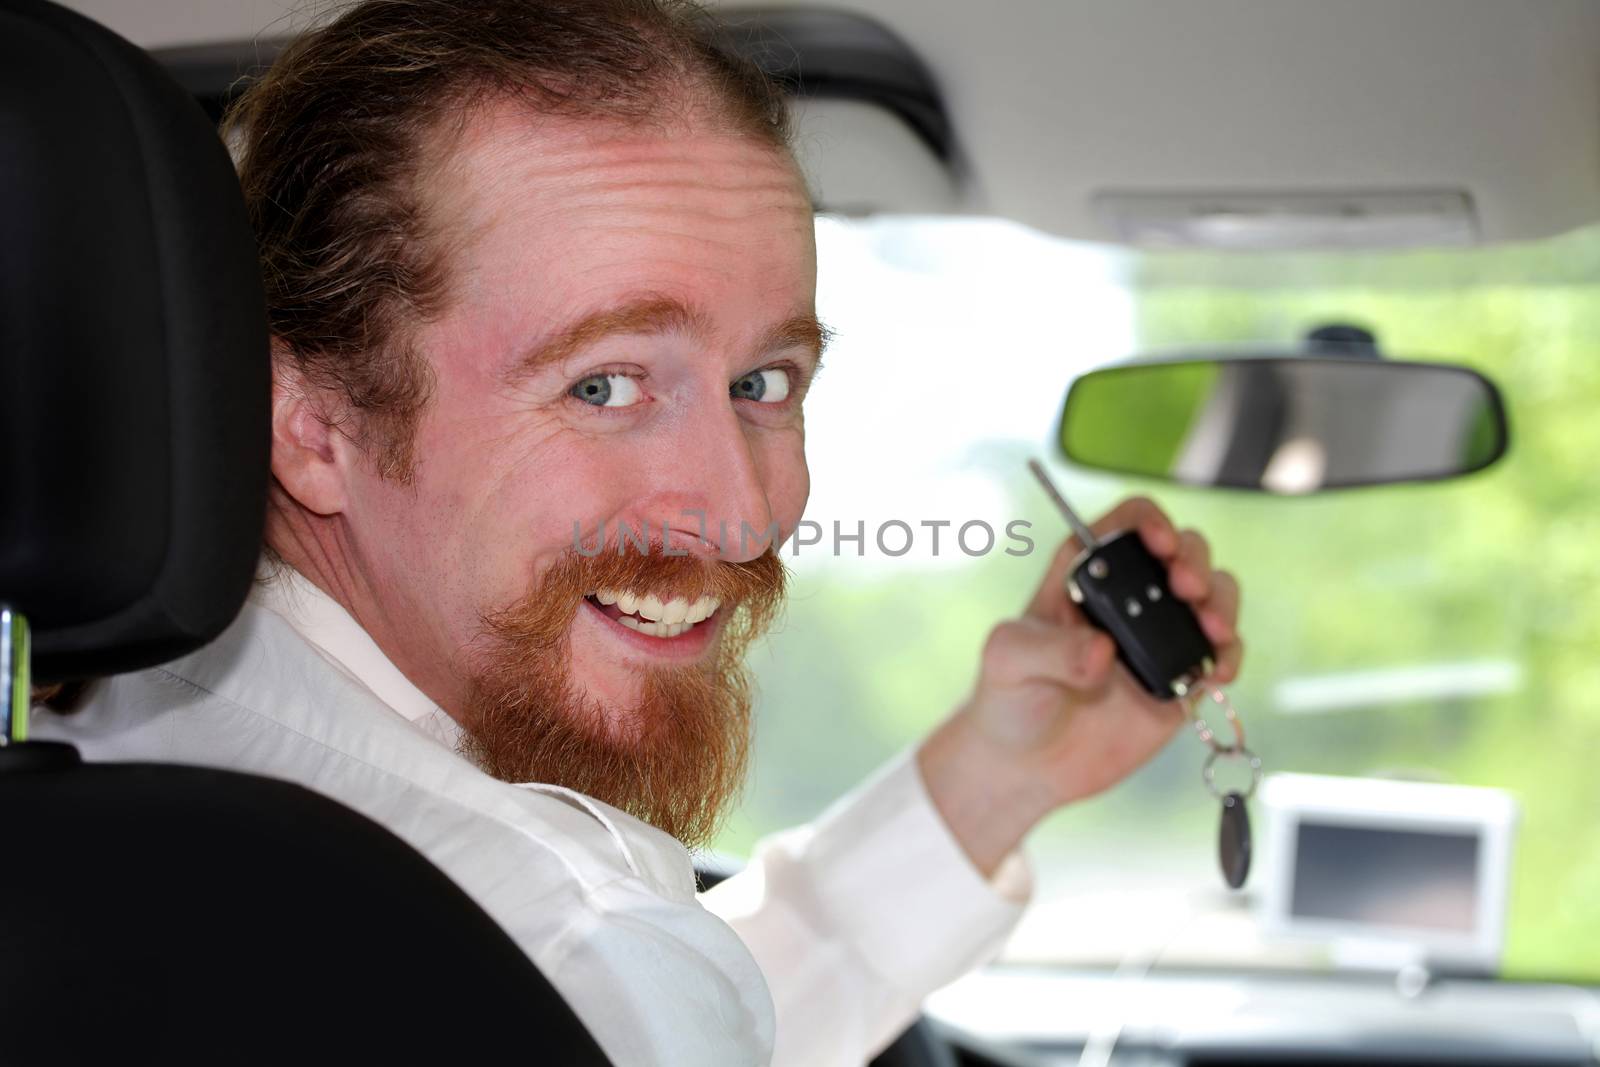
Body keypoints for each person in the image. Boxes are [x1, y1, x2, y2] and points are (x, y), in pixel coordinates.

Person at [34, 1, 1243, 1063]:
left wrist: (999, 772)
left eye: (765, 380)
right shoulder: (555, 942)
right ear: (312, 425)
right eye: (604, 386)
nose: (739, 510)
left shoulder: (91, 747)